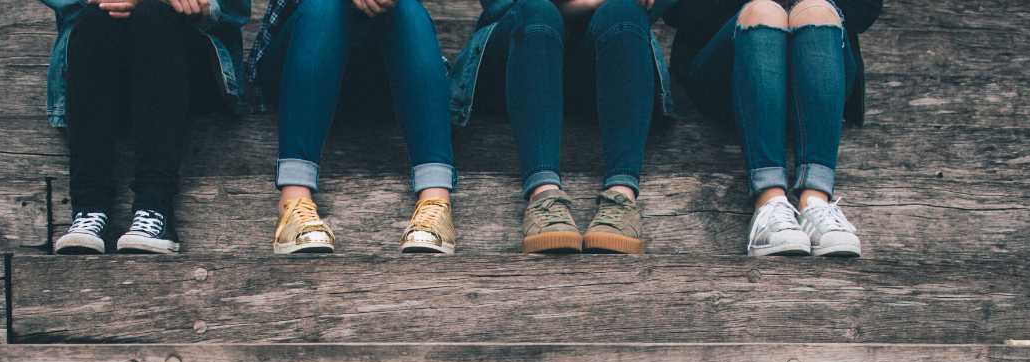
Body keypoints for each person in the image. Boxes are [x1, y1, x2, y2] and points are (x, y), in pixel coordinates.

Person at [448, 0, 677, 254]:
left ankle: (621, 197)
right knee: (537, 10)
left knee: (623, 11)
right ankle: (543, 195)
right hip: (520, 53)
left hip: (599, 62)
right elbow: (501, 5)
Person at [665, 0, 881, 256]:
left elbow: (866, 7)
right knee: (765, 10)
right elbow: (676, 9)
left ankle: (815, 202)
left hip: (820, 62)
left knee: (816, 8)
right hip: (730, 68)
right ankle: (768, 203)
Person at [247, 0, 458, 254]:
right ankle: (293, 201)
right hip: (300, 59)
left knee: (407, 7)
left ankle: (435, 202)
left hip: (378, 72)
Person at [44, 0, 251, 254]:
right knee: (98, 15)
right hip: (101, 55)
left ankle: (155, 207)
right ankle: (88, 208)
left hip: (181, 59)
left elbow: (237, 7)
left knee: (152, 14)